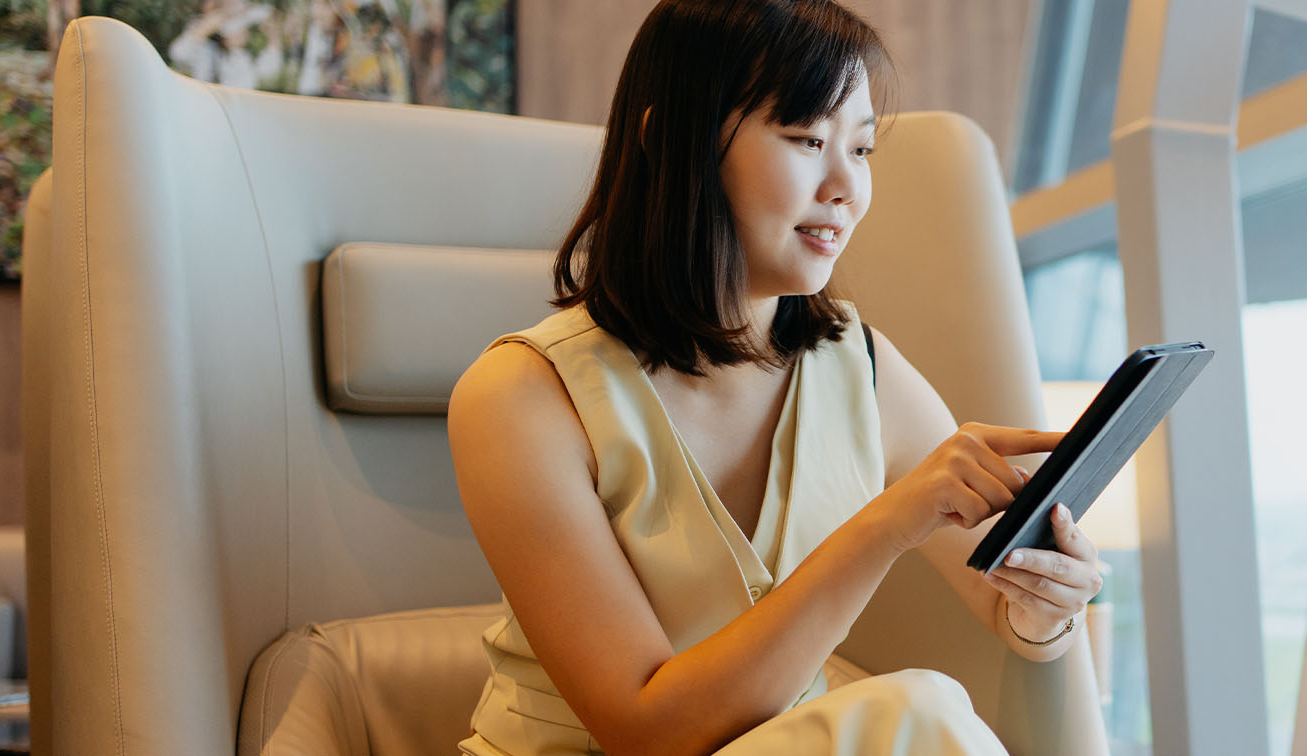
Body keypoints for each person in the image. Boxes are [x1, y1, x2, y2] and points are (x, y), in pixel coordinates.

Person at [447, 1, 1104, 754]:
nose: (845, 187)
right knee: (917, 713)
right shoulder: (519, 396)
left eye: (859, 150)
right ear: (674, 143)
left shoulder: (862, 367)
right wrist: (886, 526)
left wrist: (1046, 604)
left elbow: (1005, 606)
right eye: (807, 138)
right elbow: (643, 730)